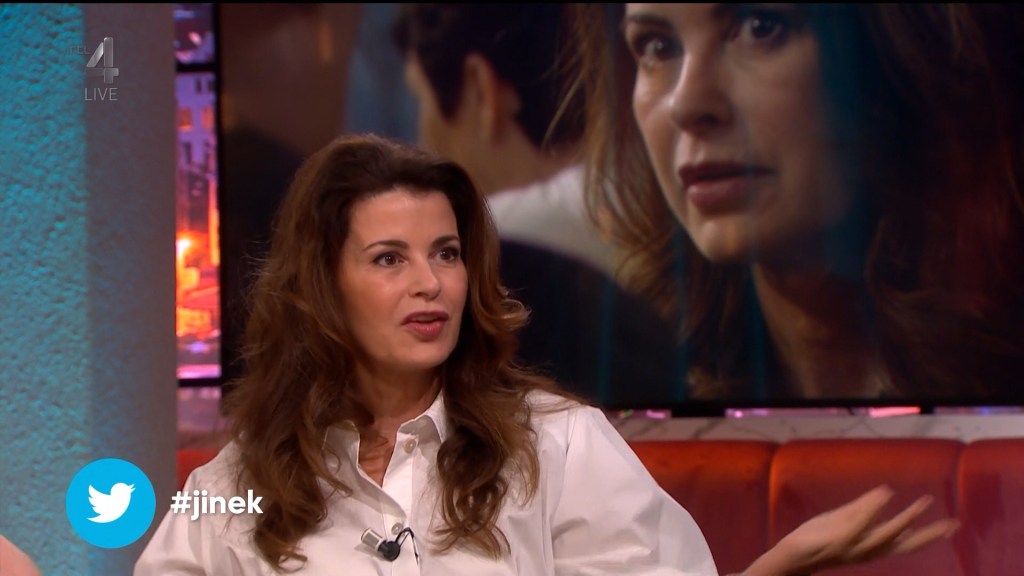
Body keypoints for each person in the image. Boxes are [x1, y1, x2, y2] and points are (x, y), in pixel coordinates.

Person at [134, 134, 955, 575]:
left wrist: (771, 573)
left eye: (447, 253)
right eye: (389, 259)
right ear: (322, 287)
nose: (431, 283)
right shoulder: (234, 487)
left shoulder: (558, 446)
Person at [570, 3, 1024, 402]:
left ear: (894, 50)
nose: (686, 104)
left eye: (759, 26)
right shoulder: (625, 385)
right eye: (657, 46)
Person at [391, 3, 689, 407]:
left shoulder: (491, 243)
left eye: (420, 100)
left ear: (480, 88)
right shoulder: (683, 199)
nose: (421, 140)